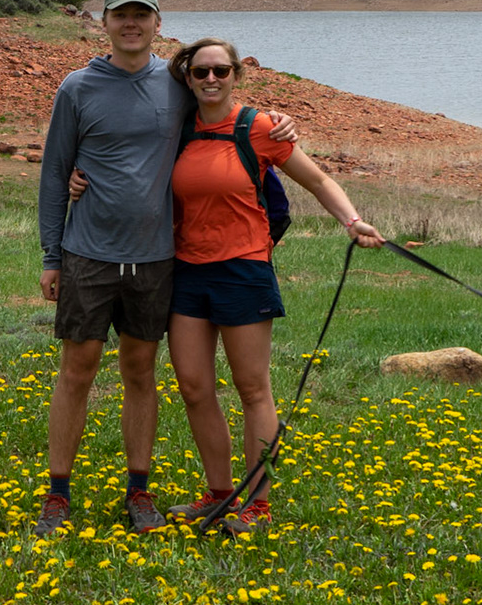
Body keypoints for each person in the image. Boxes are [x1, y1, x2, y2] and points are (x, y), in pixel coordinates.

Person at [35, 0, 295, 537]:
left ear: (158, 23)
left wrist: (277, 121)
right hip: (87, 253)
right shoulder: (76, 88)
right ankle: (58, 493)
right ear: (103, 22)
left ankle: (139, 490)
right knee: (76, 370)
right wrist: (51, 254)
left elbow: (224, 112)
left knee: (140, 372)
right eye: (120, 15)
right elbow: (56, 173)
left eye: (142, 16)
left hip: (157, 260)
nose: (131, 24)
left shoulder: (178, 85)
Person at [160, 36, 383, 533]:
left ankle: (256, 505)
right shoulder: (175, 128)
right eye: (201, 72)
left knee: (253, 388)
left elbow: (319, 181)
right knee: (194, 388)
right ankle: (219, 496)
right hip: (186, 271)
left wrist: (353, 221)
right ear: (188, 77)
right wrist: (78, 180)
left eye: (221, 71)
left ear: (237, 75)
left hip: (243, 269)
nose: (211, 80)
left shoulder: (259, 127)